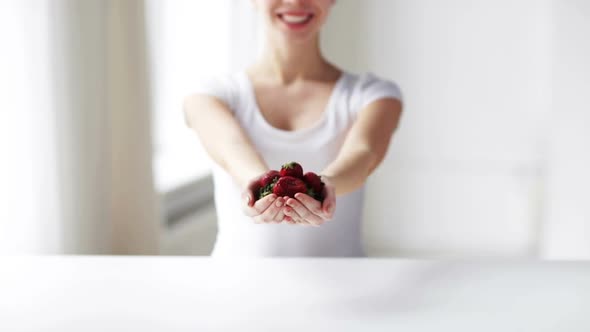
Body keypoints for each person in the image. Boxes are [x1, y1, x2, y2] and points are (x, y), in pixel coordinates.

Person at [183, 0, 403, 257]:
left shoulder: (373, 94)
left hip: (347, 288)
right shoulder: (210, 94)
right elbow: (232, 149)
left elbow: (363, 153)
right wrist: (258, 184)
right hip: (234, 287)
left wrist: (327, 185)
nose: (296, 1)